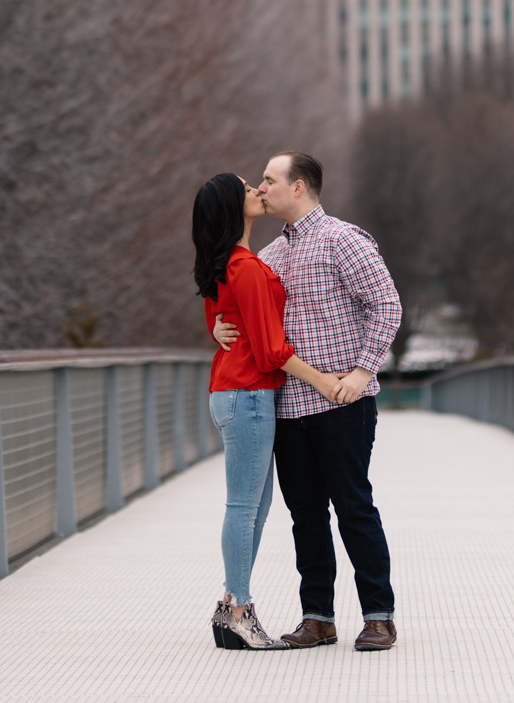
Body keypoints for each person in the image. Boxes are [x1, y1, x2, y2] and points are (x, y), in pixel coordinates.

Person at [213, 151, 402, 652]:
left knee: (353, 506)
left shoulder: (343, 240)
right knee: (305, 515)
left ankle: (378, 615)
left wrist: (363, 371)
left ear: (298, 187)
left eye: (270, 180)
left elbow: (387, 304)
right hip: (288, 407)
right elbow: (241, 311)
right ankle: (318, 616)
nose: (261, 187)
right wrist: (216, 325)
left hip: (342, 401)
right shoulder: (269, 256)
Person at [192, 172, 344, 652]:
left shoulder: (224, 266)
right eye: (247, 190)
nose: (257, 191)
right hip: (250, 395)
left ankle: (230, 605)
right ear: (232, 209)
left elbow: (218, 320)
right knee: (245, 506)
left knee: (254, 506)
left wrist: (217, 330)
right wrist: (323, 382)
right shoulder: (248, 268)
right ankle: (239, 609)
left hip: (231, 393)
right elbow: (273, 350)